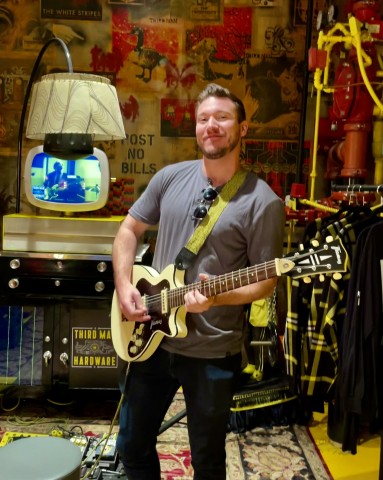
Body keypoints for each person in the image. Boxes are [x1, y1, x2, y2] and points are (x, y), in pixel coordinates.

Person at [112, 83, 285, 479]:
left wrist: (217, 300)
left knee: (207, 460)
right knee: (132, 444)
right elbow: (128, 231)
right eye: (204, 118)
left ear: (243, 128)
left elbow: (265, 282)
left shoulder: (264, 202)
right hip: (151, 340)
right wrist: (124, 286)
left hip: (211, 353)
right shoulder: (170, 177)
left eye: (223, 117)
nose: (212, 125)